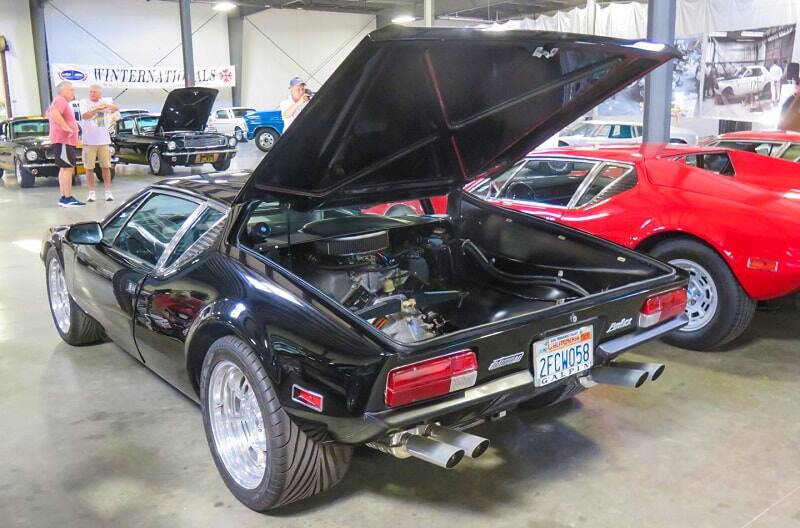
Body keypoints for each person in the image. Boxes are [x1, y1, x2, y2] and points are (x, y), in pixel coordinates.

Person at [47, 81, 83, 207]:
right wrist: (66, 127)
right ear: (63, 91)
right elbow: (54, 113)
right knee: (68, 168)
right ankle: (67, 198)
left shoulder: (60, 101)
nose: (73, 92)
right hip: (64, 141)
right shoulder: (60, 100)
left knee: (64, 168)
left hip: (63, 141)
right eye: (71, 90)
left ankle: (64, 197)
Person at [79, 84, 118, 201]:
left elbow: (116, 108)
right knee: (89, 167)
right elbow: (85, 116)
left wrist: (106, 106)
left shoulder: (104, 102)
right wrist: (96, 108)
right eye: (90, 91)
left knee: (106, 167)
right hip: (89, 141)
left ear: (100, 93)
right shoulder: (84, 102)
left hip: (103, 140)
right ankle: (91, 192)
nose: (92, 93)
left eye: (94, 92)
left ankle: (108, 191)